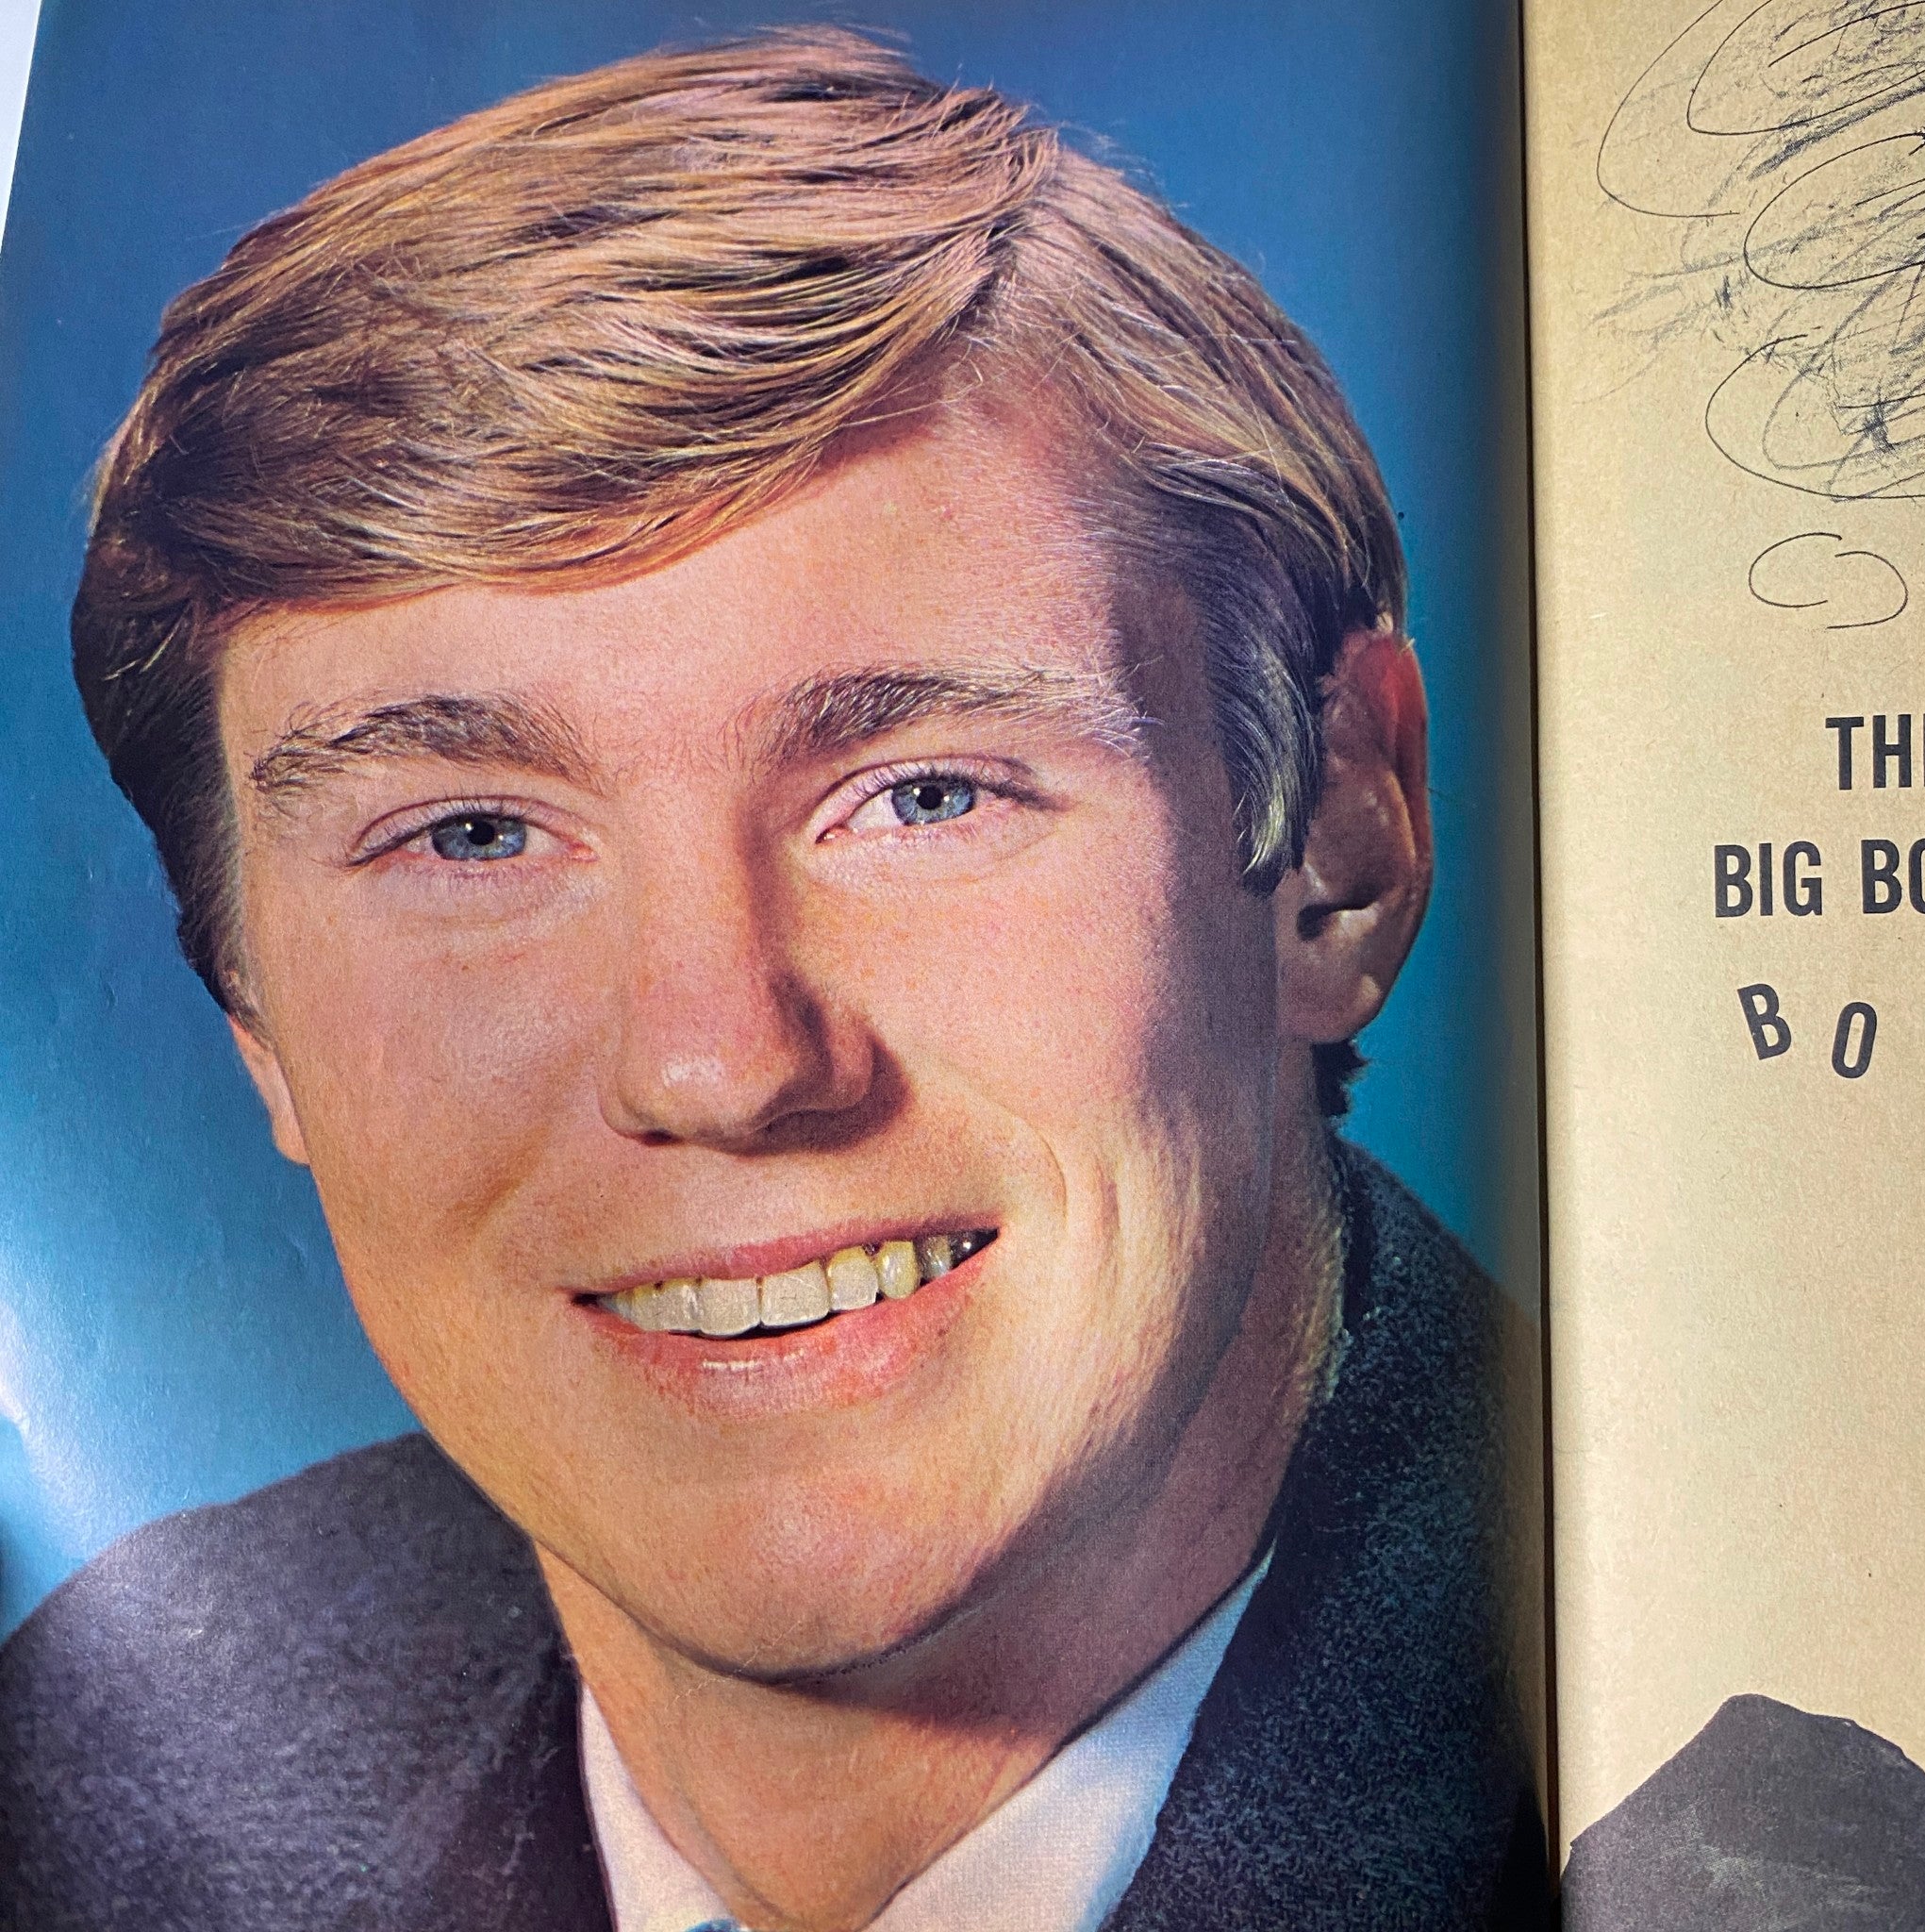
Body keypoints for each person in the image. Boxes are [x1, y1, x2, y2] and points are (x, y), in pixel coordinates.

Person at [0, 28, 1545, 1931]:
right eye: (473, 835)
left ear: (1340, 854)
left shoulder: (1752, 1804)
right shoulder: (77, 1784)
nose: (722, 1061)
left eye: (921, 793)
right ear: (253, 1009)